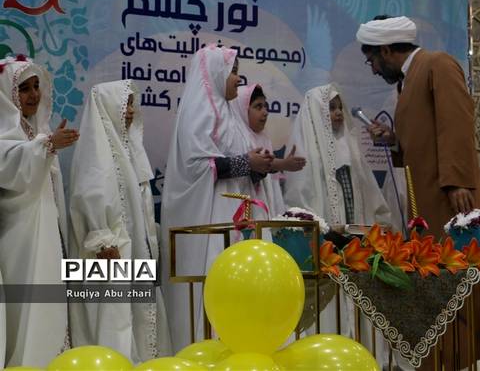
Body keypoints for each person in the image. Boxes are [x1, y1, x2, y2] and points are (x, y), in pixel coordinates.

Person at [356, 16, 480, 370]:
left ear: (387, 50)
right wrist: (393, 141)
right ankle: (451, 359)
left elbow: (456, 123)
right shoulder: (408, 81)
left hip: (451, 199)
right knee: (444, 284)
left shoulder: (437, 65)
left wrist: (458, 181)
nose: (373, 69)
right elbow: (423, 140)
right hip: (427, 202)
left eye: (372, 60)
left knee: (471, 276)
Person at [161, 45, 275, 350]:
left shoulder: (231, 115)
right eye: (233, 71)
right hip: (213, 219)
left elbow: (238, 164)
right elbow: (197, 167)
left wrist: (257, 166)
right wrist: (246, 163)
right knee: (216, 287)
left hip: (240, 218)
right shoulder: (199, 112)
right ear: (215, 73)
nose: (238, 79)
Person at [68, 80, 172, 362]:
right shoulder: (95, 150)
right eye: (124, 104)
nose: (129, 111)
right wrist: (103, 241)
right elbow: (89, 195)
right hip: (107, 253)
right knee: (111, 319)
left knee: (136, 316)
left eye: (131, 105)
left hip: (132, 249)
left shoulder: (129, 152)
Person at [0, 55, 77, 367]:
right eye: (24, 88)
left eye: (36, 87)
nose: (33, 95)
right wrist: (47, 146)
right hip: (19, 233)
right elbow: (9, 168)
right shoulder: (7, 134)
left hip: (44, 229)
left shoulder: (36, 132)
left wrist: (45, 143)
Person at [283, 83, 391, 229]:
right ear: (316, 111)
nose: (339, 112)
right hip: (324, 228)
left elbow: (369, 193)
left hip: (353, 228)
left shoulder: (350, 146)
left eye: (340, 107)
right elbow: (299, 196)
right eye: (331, 108)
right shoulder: (305, 148)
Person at [229, 83, 306, 220]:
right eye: (258, 107)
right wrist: (283, 164)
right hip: (244, 207)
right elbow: (260, 163)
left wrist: (283, 164)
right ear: (242, 109)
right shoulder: (237, 139)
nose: (265, 112)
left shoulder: (264, 138)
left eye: (265, 106)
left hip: (266, 204)